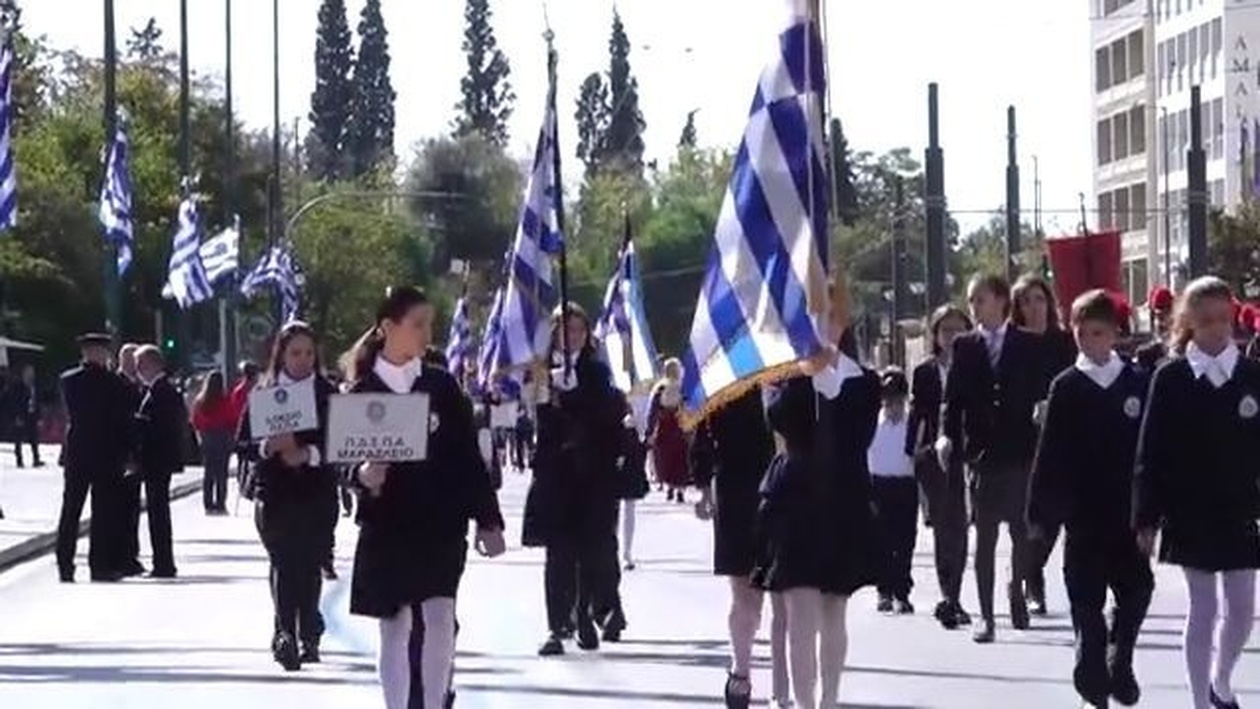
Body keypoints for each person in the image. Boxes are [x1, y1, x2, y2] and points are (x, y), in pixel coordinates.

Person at [344, 285, 506, 709]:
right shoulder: (362, 392)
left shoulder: (442, 386)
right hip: (387, 523)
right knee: (394, 626)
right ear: (387, 328)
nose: (425, 332)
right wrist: (363, 474)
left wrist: (488, 519)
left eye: (429, 324)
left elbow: (469, 457)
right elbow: (340, 463)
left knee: (439, 617)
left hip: (440, 521)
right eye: (417, 324)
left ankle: (434, 703)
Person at [1133, 276, 1259, 709]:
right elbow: (1150, 449)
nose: (1217, 329)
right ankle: (1199, 702)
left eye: (1224, 319)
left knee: (1242, 608)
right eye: (1206, 321)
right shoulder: (1170, 378)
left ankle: (1221, 682)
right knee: (1203, 605)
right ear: (1189, 322)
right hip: (1189, 509)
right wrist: (1145, 516)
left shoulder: (1250, 374)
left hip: (1240, 507)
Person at [754, 280, 880, 709]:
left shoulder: (864, 381)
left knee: (834, 613)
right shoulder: (789, 376)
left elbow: (858, 437)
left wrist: (831, 382)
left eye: (830, 315)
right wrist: (806, 376)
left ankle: (829, 700)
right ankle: (804, 704)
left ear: (843, 321)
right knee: (799, 613)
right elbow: (782, 421)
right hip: (795, 502)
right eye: (812, 316)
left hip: (841, 502)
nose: (823, 324)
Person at [1027, 289, 1153, 709]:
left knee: (1136, 591)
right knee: (1085, 598)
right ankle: (1091, 664)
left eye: (1096, 332)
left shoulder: (1136, 382)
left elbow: (1151, 450)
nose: (1087, 340)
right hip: (1082, 515)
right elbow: (1050, 452)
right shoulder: (1067, 386)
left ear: (1113, 334)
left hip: (1127, 514)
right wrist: (1040, 512)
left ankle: (1121, 655)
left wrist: (1153, 508)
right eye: (1079, 332)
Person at [938, 273, 1042, 643]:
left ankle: (1016, 591)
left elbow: (1043, 389)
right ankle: (986, 616)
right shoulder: (965, 346)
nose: (975, 308)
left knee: (1022, 534)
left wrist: (1042, 411)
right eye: (971, 302)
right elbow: (953, 402)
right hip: (982, 455)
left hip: (1020, 452)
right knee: (984, 537)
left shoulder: (1028, 343)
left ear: (1000, 301)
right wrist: (946, 437)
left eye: (980, 300)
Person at [524, 303, 625, 657]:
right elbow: (539, 417)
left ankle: (585, 615)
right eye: (566, 330)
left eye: (579, 330)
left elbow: (606, 414)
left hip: (592, 474)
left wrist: (575, 393)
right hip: (556, 474)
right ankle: (556, 625)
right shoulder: (540, 373)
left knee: (591, 549)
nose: (573, 336)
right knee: (559, 553)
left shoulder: (597, 372)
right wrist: (550, 392)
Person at [237, 321, 337, 671]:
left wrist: (308, 453)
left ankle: (309, 629)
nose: (303, 360)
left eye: (309, 353)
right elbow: (243, 444)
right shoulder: (264, 392)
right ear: (281, 354)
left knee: (309, 563)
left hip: (315, 492)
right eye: (296, 352)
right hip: (275, 493)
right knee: (283, 561)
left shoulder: (327, 393)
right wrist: (268, 446)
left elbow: (340, 441)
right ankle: (284, 634)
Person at [692, 386, 789, 709]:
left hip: (787, 492)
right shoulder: (730, 380)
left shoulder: (796, 378)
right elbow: (703, 429)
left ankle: (782, 689)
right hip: (737, 490)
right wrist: (703, 486)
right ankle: (741, 670)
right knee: (746, 598)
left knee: (785, 597)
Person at [1011, 274, 1077, 617]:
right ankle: (1031, 582)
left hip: (1056, 443)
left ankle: (1030, 573)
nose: (1033, 307)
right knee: (1027, 519)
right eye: (1025, 301)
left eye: (1039, 299)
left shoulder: (1064, 343)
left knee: (1051, 520)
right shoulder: (1012, 344)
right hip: (1021, 442)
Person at [906, 305, 973, 630]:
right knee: (944, 526)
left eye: (958, 329)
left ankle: (955, 593)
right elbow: (918, 416)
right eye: (945, 330)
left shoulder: (976, 366)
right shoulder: (925, 372)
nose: (951, 336)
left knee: (960, 526)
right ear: (935, 335)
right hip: (933, 456)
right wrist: (913, 455)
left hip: (966, 453)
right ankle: (949, 595)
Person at [55, 333, 134, 583]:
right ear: (103, 353)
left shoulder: (68, 381)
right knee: (102, 513)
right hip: (105, 453)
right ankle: (99, 565)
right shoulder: (114, 383)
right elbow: (122, 421)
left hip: (77, 452)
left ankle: (65, 563)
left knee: (71, 510)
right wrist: (128, 453)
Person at [131, 345, 186, 579]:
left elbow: (162, 428)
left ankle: (163, 563)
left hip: (157, 460)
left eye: (140, 366)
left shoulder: (162, 391)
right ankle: (162, 560)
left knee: (158, 513)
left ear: (151, 364)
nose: (138, 371)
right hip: (158, 459)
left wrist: (139, 424)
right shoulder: (158, 389)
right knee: (157, 511)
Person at [869, 367, 917, 615]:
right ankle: (883, 590)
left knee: (905, 541)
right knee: (881, 541)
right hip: (879, 485)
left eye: (897, 399)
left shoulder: (912, 424)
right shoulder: (873, 422)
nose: (892, 404)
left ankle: (902, 592)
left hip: (905, 485)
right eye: (888, 399)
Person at [116, 342, 147, 577]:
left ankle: (131, 554)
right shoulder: (115, 384)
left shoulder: (140, 386)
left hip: (137, 455)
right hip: (120, 455)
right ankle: (122, 555)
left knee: (133, 508)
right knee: (121, 508)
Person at [191, 371, 236, 515]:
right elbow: (231, 419)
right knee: (222, 472)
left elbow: (195, 420)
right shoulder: (225, 400)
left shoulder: (200, 401)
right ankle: (220, 503)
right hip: (222, 436)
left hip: (207, 437)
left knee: (209, 472)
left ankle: (208, 504)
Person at [616, 392, 651, 571]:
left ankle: (625, 552)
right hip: (626, 470)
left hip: (621, 470)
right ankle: (625, 552)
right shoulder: (629, 421)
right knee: (627, 511)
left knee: (620, 511)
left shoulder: (629, 421)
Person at [647, 359, 690, 503]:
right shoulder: (683, 388)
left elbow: (652, 411)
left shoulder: (660, 388)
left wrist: (649, 430)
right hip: (680, 426)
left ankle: (670, 487)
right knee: (680, 460)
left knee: (665, 457)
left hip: (664, 426)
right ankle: (679, 489)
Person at [1134, 286, 1175, 374]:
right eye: (1159, 317)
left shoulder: (1184, 347)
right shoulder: (1146, 354)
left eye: (1167, 312)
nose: (1162, 322)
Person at [12, 365, 42, 468]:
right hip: (22, 414)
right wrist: (17, 416)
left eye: (32, 372)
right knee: (19, 438)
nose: (30, 375)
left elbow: (38, 402)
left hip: (32, 415)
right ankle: (19, 460)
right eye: (28, 372)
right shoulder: (18, 386)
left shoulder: (34, 386)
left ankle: (36, 458)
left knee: (34, 438)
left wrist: (39, 416)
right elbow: (15, 402)